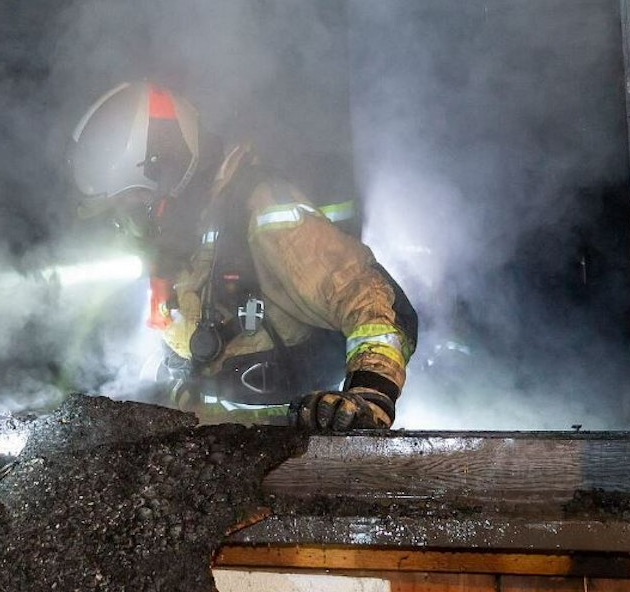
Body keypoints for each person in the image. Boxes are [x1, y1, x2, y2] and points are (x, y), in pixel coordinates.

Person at [68, 81, 417, 433]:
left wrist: (368, 399)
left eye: (133, 208)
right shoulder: (188, 242)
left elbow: (372, 302)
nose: (130, 227)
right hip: (212, 464)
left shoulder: (264, 214)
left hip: (291, 461)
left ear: (170, 168)